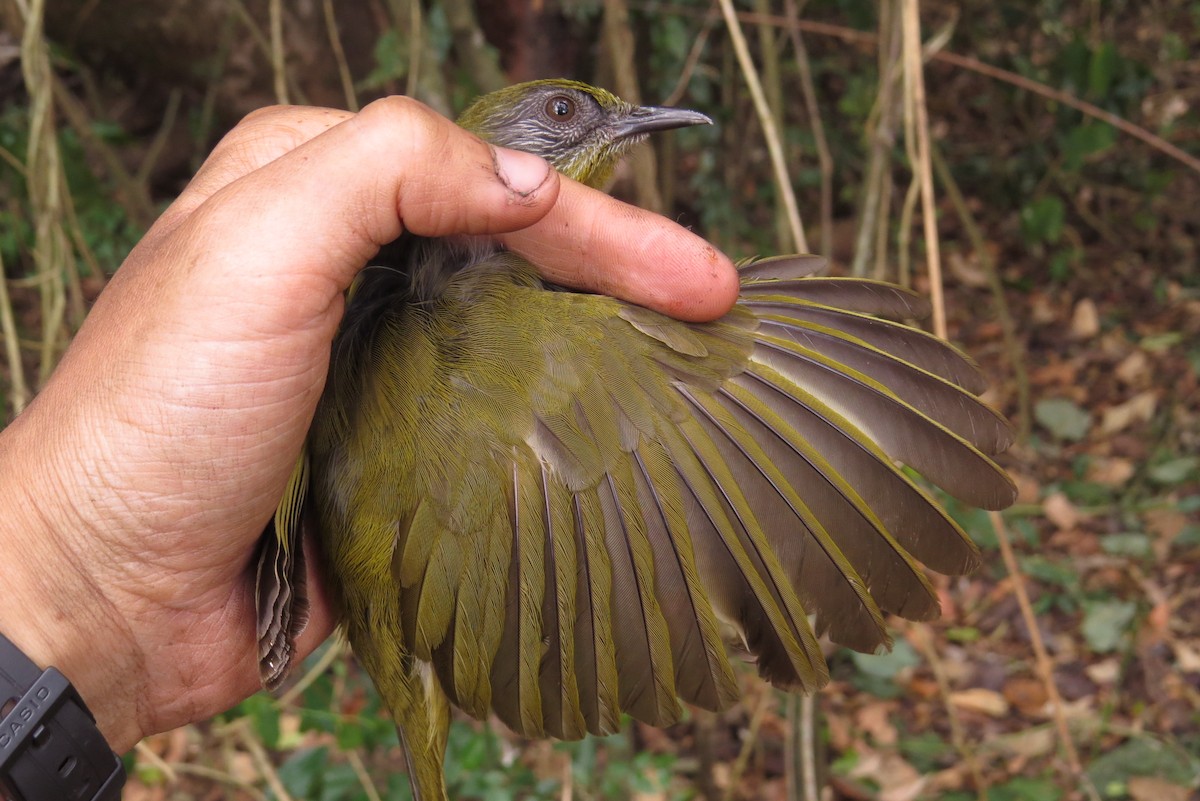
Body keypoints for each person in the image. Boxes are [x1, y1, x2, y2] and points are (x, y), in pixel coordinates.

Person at [0, 96, 738, 754]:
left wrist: (75, 581)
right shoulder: (479, 320)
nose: (621, 126)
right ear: (495, 154)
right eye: (568, 114)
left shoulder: (486, 317)